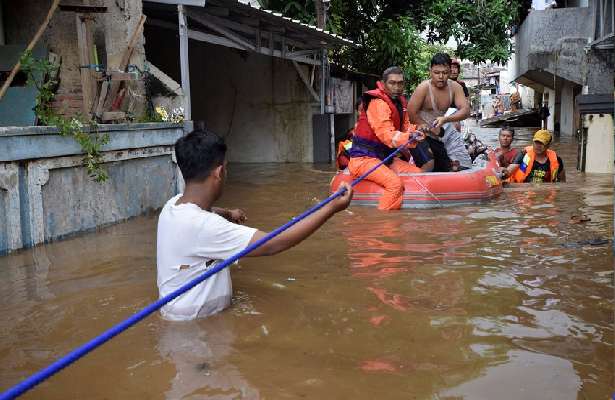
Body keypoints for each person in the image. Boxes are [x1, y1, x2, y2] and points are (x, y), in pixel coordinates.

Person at [157, 129, 353, 321]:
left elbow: (205, 213)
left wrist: (228, 213)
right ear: (219, 173)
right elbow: (273, 243)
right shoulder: (205, 227)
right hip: (200, 328)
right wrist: (331, 208)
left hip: (178, 316)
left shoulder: (172, 206)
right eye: (226, 167)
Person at [347, 66, 423, 210]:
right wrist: (410, 136)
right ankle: (384, 227)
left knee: (418, 174)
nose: (397, 87)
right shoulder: (377, 103)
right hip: (364, 160)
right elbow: (387, 136)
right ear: (383, 83)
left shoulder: (400, 103)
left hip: (384, 158)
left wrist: (419, 131)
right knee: (395, 184)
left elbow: (407, 129)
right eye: (392, 83)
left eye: (400, 83)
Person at [408, 53, 471, 172]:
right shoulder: (423, 88)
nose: (441, 76)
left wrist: (446, 119)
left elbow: (466, 110)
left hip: (438, 132)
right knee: (429, 162)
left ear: (450, 70)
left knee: (445, 167)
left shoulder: (455, 87)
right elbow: (411, 113)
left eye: (445, 73)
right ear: (430, 71)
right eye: (437, 73)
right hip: (419, 134)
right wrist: (423, 125)